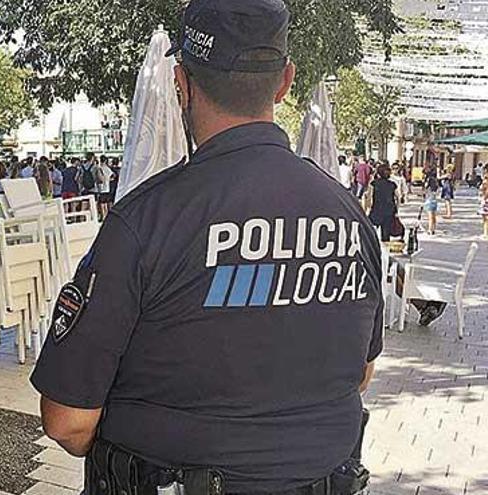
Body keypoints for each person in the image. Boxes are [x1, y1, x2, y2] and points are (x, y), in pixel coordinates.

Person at [30, 1, 384, 493]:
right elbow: (361, 373)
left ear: (181, 83)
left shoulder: (144, 221)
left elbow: (67, 421)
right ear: (284, 81)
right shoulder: (350, 217)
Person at [369, 164, 398, 242]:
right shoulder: (392, 185)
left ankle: (373, 248)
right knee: (386, 234)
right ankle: (385, 251)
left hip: (376, 209)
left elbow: (368, 197)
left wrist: (366, 209)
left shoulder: (373, 184)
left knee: (371, 232)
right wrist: (396, 210)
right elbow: (397, 198)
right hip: (389, 211)